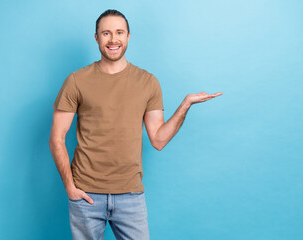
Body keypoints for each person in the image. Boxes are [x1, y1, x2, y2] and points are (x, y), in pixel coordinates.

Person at [49, 9, 223, 240]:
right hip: (86, 195)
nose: (113, 39)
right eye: (106, 33)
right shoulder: (76, 81)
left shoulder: (148, 82)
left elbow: (158, 140)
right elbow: (57, 138)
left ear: (128, 36)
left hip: (130, 195)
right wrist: (70, 187)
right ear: (97, 38)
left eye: (119, 32)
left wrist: (185, 105)